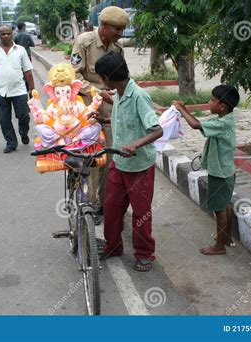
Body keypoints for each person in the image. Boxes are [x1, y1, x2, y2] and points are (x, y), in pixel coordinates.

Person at [93, 51, 163, 272]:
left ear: (107, 77)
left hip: (139, 166)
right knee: (112, 208)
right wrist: (104, 118)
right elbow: (124, 117)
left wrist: (135, 144)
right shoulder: (121, 94)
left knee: (141, 214)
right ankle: (113, 246)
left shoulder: (139, 96)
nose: (101, 82)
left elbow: (157, 129)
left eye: (101, 77)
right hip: (119, 163)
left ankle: (144, 254)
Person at [71, 6, 130, 225]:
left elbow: (124, 76)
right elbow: (73, 77)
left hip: (111, 110)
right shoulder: (84, 42)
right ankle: (91, 204)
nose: (120, 34)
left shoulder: (117, 47)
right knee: (92, 158)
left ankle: (108, 204)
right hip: (89, 111)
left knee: (109, 157)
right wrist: (97, 92)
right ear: (104, 26)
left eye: (122, 30)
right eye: (117, 29)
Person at [172, 85, 240, 255]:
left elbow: (195, 125)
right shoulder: (226, 119)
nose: (209, 103)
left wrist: (181, 108)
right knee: (226, 205)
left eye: (212, 100)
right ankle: (226, 238)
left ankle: (219, 247)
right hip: (227, 172)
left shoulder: (222, 123)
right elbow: (199, 124)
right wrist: (184, 109)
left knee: (219, 209)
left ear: (222, 106)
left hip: (219, 173)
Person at [0, 25, 35, 154]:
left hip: (19, 90)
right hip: (0, 91)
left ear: (12, 34)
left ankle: (24, 132)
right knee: (4, 119)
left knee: (24, 116)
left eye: (8, 33)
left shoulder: (21, 50)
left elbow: (28, 71)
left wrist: (32, 90)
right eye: (3, 34)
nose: (6, 36)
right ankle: (11, 143)